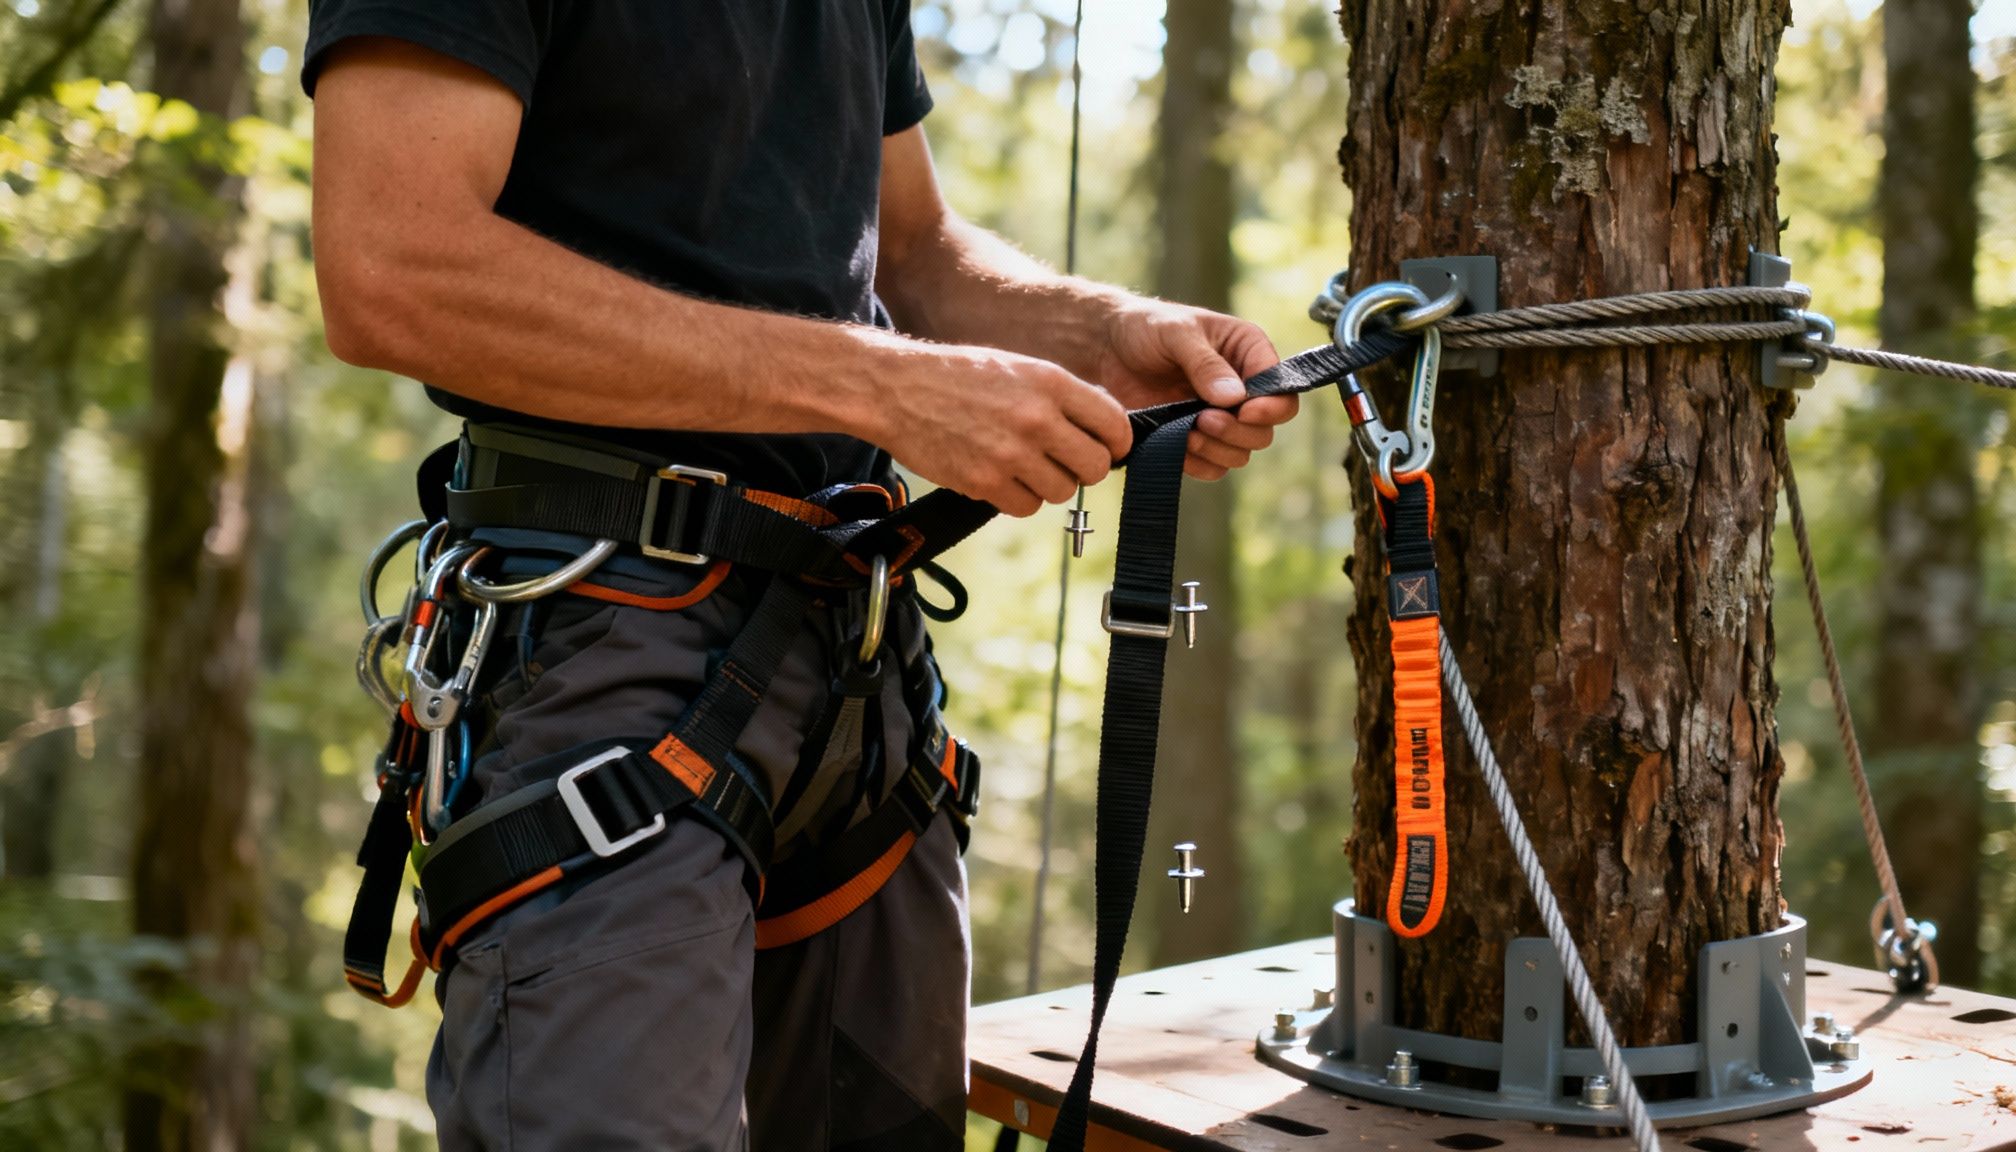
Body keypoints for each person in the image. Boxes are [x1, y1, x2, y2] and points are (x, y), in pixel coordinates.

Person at [304, 2, 1296, 1148]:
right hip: (601, 654)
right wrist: (878, 386)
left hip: (853, 665)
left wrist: (1101, 330)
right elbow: (394, 265)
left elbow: (911, 247)